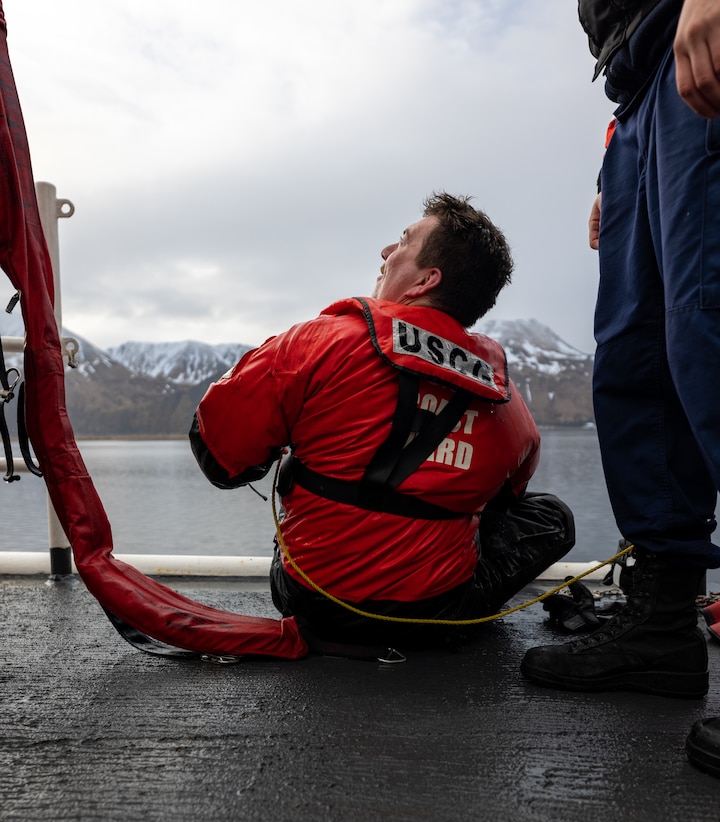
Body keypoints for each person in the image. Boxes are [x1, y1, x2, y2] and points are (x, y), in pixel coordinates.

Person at [189, 192, 574, 656]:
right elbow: (504, 503)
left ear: (425, 281)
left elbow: (221, 462)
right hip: (438, 614)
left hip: (314, 602)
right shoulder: (505, 399)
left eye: (403, 242)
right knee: (553, 517)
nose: (386, 252)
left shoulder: (316, 343)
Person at [521, 0, 720, 708]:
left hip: (694, 37)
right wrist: (623, 144)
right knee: (639, 361)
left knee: (708, 325)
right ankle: (662, 626)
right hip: (640, 88)